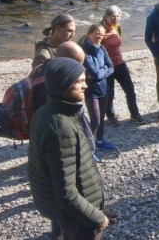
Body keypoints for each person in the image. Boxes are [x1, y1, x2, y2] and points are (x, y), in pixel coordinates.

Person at [28, 57, 109, 239]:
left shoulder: (44, 112)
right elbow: (66, 193)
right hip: (75, 216)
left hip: (58, 209)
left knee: (60, 233)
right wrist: (97, 218)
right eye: (79, 82)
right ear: (63, 86)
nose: (85, 86)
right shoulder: (60, 128)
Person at [101, 5, 145, 125]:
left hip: (120, 64)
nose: (115, 18)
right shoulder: (100, 30)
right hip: (107, 67)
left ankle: (134, 114)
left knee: (130, 89)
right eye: (112, 16)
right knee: (110, 93)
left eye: (117, 16)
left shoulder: (117, 27)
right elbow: (90, 46)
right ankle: (110, 115)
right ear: (106, 16)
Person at [82, 24, 116, 152]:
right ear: (89, 33)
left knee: (101, 117)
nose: (100, 37)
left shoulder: (102, 48)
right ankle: (88, 147)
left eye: (102, 34)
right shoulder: (84, 51)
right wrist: (101, 72)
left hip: (103, 88)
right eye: (97, 33)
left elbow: (111, 67)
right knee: (95, 119)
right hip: (91, 91)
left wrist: (100, 73)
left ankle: (100, 141)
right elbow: (94, 73)